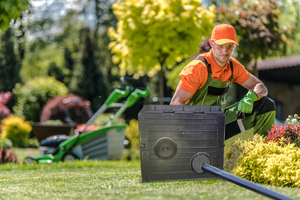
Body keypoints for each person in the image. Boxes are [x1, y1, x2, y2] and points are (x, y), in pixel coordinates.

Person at [170, 23, 275, 140]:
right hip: (193, 127)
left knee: (266, 104)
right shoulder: (198, 68)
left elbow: (260, 86)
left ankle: (263, 149)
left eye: (230, 46)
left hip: (216, 122)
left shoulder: (233, 66)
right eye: (220, 46)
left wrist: (251, 97)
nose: (225, 51)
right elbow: (176, 103)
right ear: (211, 44)